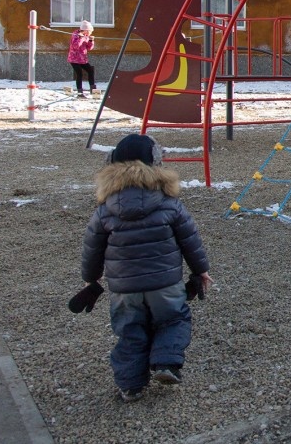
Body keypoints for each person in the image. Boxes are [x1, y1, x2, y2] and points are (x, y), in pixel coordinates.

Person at [78, 133, 213, 403]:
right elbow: (190, 240)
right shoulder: (169, 203)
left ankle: (130, 385)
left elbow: (92, 248)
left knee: (130, 330)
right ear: (156, 165)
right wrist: (201, 270)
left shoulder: (105, 210)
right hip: (165, 283)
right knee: (173, 320)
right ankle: (165, 363)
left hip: (124, 288)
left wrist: (90, 279)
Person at [67, 20, 97, 98]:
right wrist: (80, 38)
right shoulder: (75, 35)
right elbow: (76, 46)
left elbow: (89, 48)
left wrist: (91, 40)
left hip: (82, 59)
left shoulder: (86, 36)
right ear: (85, 30)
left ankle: (93, 90)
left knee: (90, 70)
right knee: (79, 74)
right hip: (74, 59)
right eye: (90, 31)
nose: (90, 33)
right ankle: (80, 93)